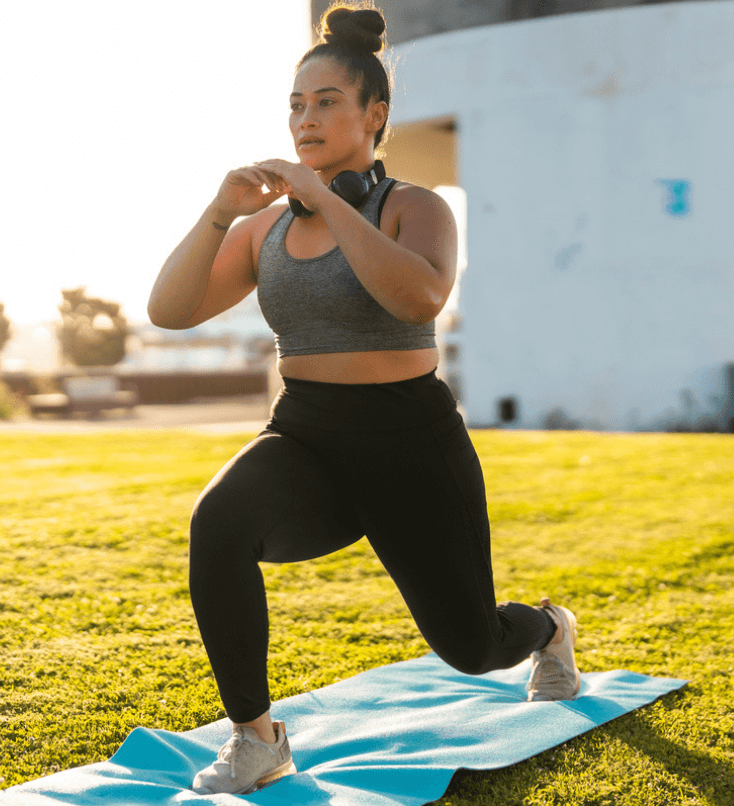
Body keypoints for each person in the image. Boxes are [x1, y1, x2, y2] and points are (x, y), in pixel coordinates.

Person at [147, 3, 580, 796]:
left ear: (375, 114)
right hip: (307, 439)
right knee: (218, 521)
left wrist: (330, 197)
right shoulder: (265, 230)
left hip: (410, 445)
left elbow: (417, 298)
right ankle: (256, 738)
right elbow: (170, 310)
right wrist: (219, 212)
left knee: (472, 646)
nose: (305, 118)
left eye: (326, 102)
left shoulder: (413, 208)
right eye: (295, 104)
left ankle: (550, 629)